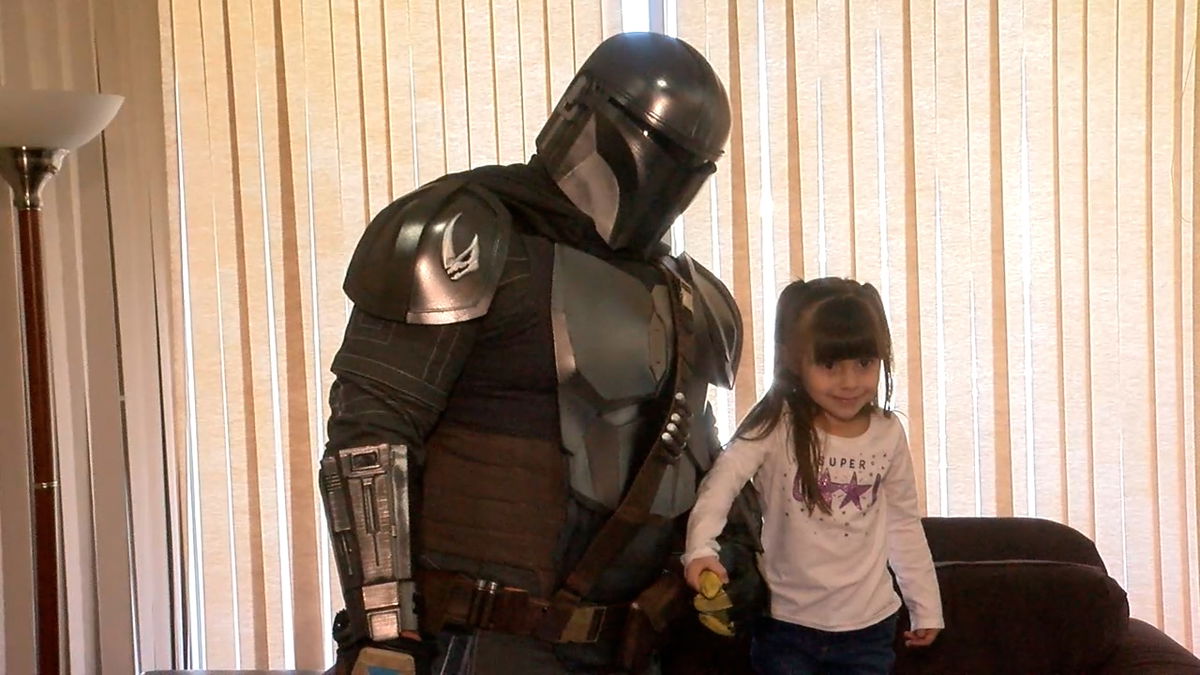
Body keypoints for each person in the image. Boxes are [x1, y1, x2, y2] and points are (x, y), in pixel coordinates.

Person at [317, 32, 755, 675]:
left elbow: (707, 465)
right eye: (657, 145)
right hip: (477, 644)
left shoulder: (690, 296)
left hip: (629, 648)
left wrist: (737, 554)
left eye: (687, 163)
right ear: (585, 111)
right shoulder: (467, 233)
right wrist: (384, 631)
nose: (662, 175)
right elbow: (372, 432)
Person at [682, 277, 944, 675]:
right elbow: (722, 483)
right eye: (828, 364)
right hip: (785, 627)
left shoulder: (888, 432)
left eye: (864, 362)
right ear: (793, 359)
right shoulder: (775, 425)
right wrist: (700, 549)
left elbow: (903, 522)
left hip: (869, 628)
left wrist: (925, 605)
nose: (850, 382)